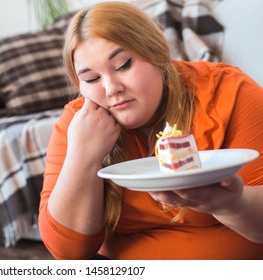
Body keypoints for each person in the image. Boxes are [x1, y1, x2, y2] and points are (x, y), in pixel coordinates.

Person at [38, 1, 263, 260]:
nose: (111, 89)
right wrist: (83, 156)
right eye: (91, 79)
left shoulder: (230, 92)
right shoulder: (78, 124)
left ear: (158, 54)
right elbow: (67, 253)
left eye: (123, 65)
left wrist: (232, 204)